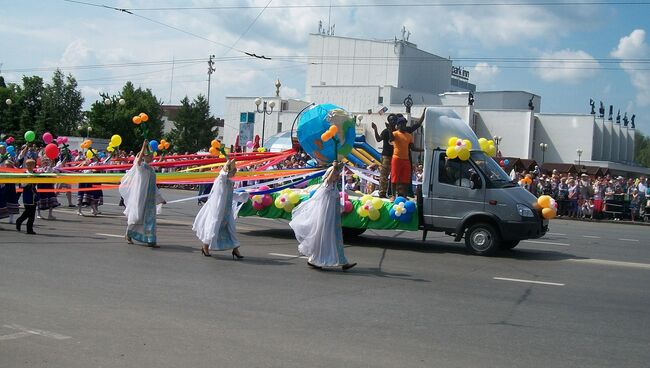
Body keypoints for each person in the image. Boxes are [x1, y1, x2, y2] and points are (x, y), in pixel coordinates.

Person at [289, 160, 356, 271]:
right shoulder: (326, 186)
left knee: (336, 239)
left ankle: (343, 262)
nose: (337, 177)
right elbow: (329, 180)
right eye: (336, 174)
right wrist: (333, 168)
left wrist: (338, 166)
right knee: (324, 239)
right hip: (326, 219)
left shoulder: (334, 187)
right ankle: (315, 260)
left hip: (333, 219)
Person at [192, 159, 250, 258]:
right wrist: (226, 166)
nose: (234, 173)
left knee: (231, 229)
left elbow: (231, 194)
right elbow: (222, 174)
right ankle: (205, 246)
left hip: (226, 211)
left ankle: (235, 249)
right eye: (233, 171)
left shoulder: (229, 182)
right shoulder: (220, 180)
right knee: (213, 228)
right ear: (228, 171)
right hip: (218, 209)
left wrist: (244, 195)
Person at [120, 140, 166, 248]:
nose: (152, 157)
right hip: (141, 196)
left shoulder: (151, 169)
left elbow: (153, 186)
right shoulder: (142, 168)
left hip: (149, 199)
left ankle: (151, 240)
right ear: (145, 157)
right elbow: (138, 162)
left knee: (150, 218)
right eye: (150, 156)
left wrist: (160, 198)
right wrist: (143, 146)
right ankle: (129, 234)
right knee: (138, 217)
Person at [15, 159, 38, 235]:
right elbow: (22, 185)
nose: (31, 166)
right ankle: (19, 221)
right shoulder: (24, 174)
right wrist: (28, 180)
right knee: (28, 212)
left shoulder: (35, 173)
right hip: (27, 195)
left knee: (32, 214)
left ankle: (29, 229)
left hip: (34, 195)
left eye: (32, 165)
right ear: (26, 165)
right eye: (29, 165)